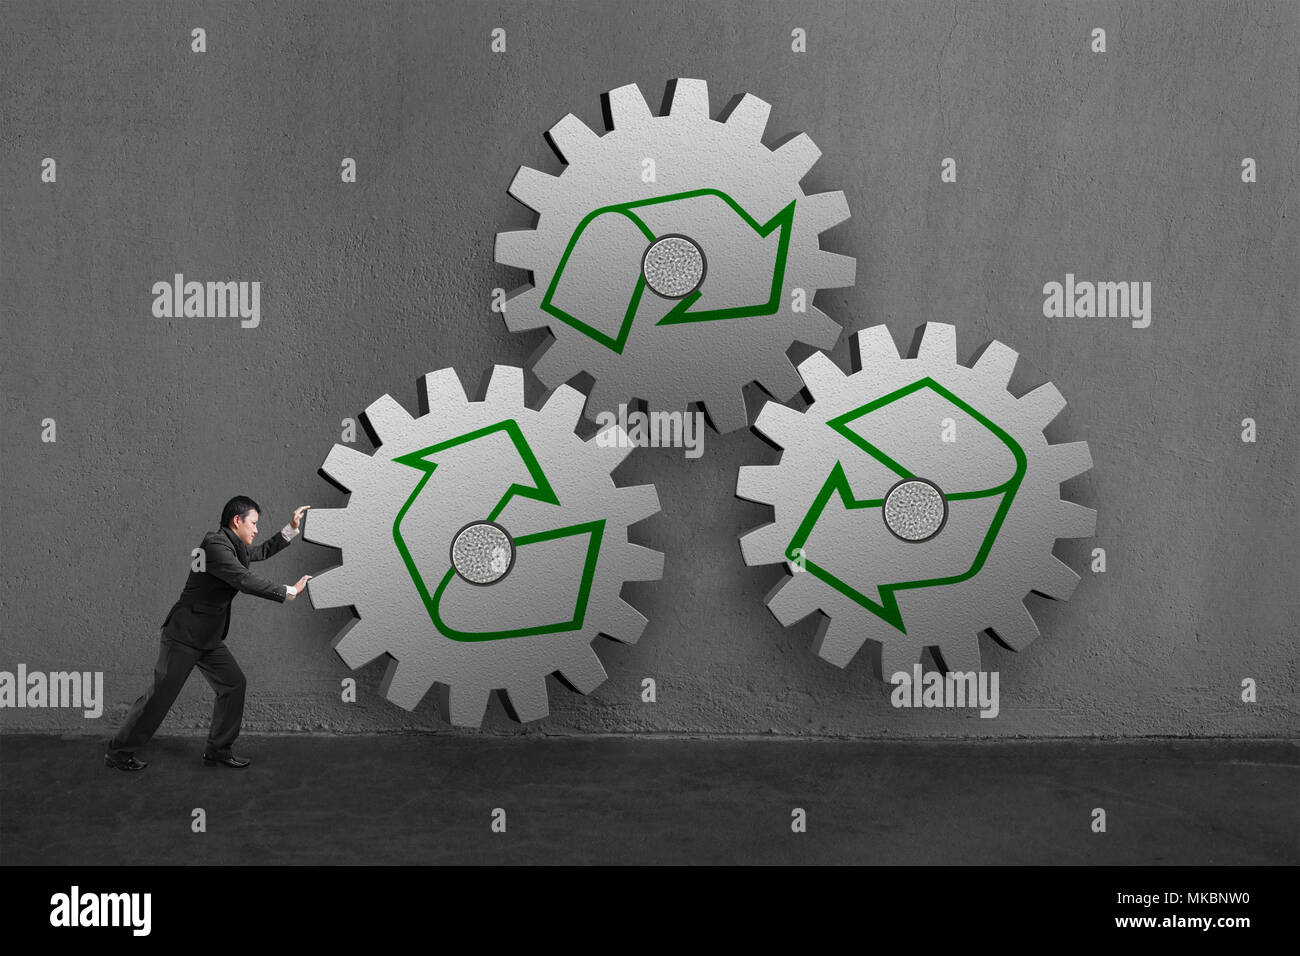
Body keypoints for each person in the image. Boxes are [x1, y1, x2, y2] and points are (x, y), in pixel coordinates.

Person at [104, 496, 313, 771]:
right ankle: (118, 753)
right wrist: (289, 592)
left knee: (233, 684)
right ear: (236, 520)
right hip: (184, 636)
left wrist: (291, 528)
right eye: (253, 523)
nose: (256, 529)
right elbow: (243, 579)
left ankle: (218, 749)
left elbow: (259, 551)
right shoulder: (214, 546)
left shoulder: (233, 546)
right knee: (159, 698)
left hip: (208, 637)